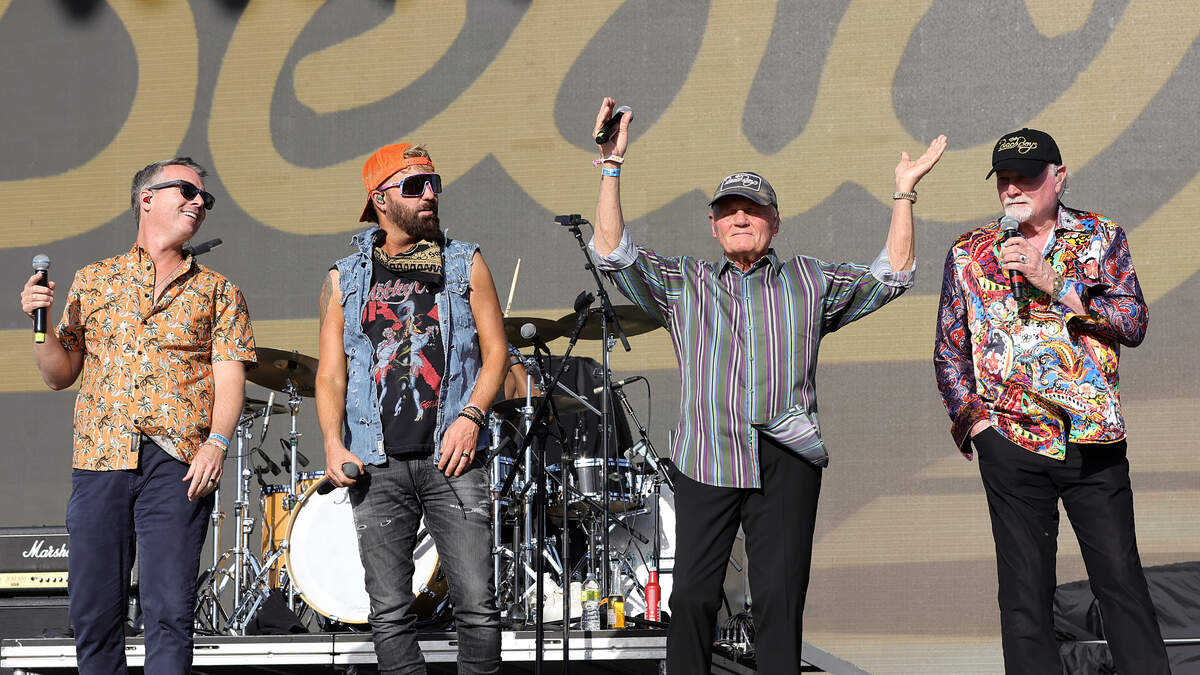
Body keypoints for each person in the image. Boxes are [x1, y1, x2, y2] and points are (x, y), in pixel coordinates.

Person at [588, 97, 946, 674]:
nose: (740, 219)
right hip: (707, 453)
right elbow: (611, 253)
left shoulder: (808, 279)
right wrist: (611, 164)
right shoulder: (686, 282)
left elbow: (892, 275)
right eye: (728, 211)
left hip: (786, 453)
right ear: (712, 225)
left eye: (752, 210)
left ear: (774, 221)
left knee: (779, 603)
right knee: (692, 598)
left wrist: (903, 193)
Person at [934, 128, 1169, 673]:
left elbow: (1132, 323)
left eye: (1028, 177)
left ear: (1059, 178)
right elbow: (950, 350)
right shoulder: (970, 252)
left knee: (1120, 582)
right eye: (1005, 179)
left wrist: (1054, 282)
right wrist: (978, 429)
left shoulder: (1100, 236)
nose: (1014, 189)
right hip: (1010, 439)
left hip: (1092, 441)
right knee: (1023, 596)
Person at [18, 157, 255, 674]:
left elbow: (229, 377)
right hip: (101, 457)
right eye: (187, 191)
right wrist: (40, 324)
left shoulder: (218, 290)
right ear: (147, 198)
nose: (199, 202)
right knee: (94, 613)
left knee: (169, 610)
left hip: (177, 463)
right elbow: (59, 374)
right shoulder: (94, 280)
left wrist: (216, 443)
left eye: (205, 198)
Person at [316, 142, 506, 674]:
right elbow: (330, 374)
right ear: (380, 199)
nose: (430, 195)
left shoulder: (465, 261)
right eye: (415, 186)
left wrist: (471, 417)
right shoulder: (344, 277)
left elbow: (496, 353)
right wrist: (332, 444)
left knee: (478, 606)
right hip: (377, 464)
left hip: (454, 458)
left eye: (434, 183)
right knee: (389, 612)